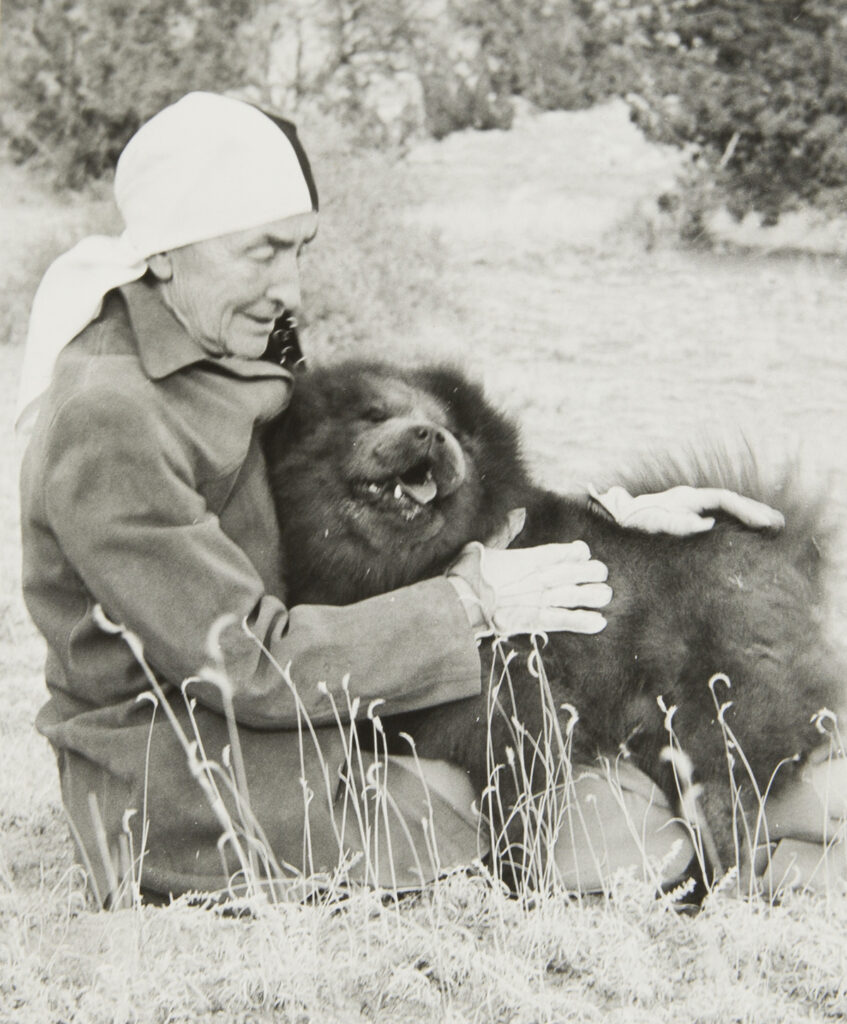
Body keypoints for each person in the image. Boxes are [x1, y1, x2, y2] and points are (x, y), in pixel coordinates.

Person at [18, 92, 844, 905]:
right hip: (211, 786)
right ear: (166, 250)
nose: (291, 289)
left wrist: (607, 515)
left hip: (325, 722)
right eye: (261, 252)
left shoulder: (216, 341)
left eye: (298, 251)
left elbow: (352, 488)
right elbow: (244, 665)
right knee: (628, 847)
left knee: (627, 792)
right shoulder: (111, 419)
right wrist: (467, 607)